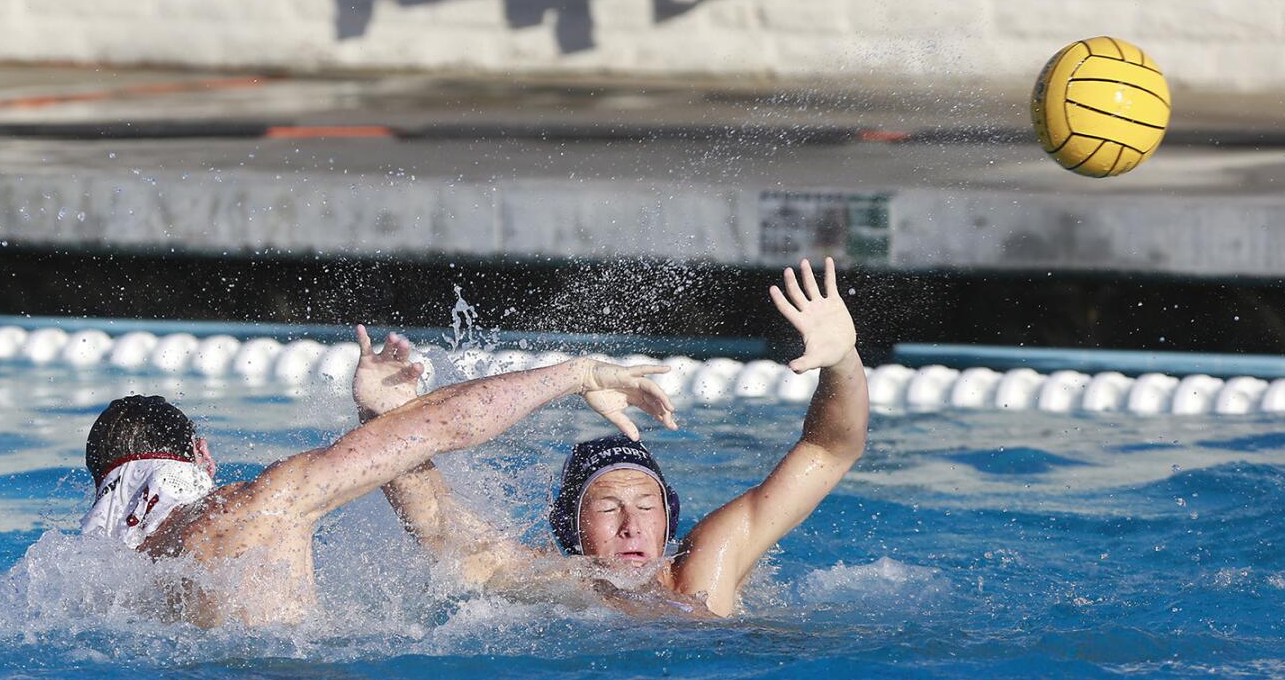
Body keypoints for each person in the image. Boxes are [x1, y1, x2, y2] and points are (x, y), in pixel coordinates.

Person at [368, 257, 869, 616]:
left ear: (670, 518)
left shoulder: (708, 564)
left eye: (648, 508)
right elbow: (435, 522)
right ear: (572, 528)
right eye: (608, 508)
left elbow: (828, 450)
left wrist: (844, 360)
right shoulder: (555, 585)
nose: (632, 526)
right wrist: (379, 414)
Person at [77, 352, 678, 627]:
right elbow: (447, 425)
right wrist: (580, 373)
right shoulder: (259, 505)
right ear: (203, 456)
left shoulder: (90, 574)